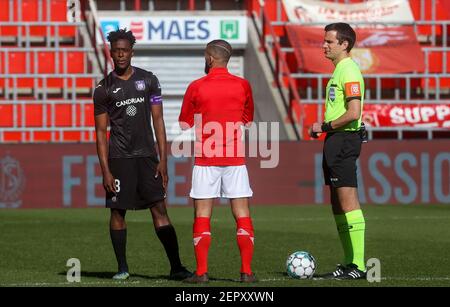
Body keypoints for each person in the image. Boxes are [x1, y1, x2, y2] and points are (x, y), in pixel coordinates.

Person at [93, 28, 192, 281]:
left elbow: (158, 121)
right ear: (111, 53)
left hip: (147, 157)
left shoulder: (149, 80)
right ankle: (122, 268)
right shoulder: (103, 89)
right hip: (119, 159)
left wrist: (163, 160)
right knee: (117, 212)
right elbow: (101, 132)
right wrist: (105, 170)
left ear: (132, 52)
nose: (121, 55)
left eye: (125, 50)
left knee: (159, 209)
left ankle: (177, 267)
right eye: (117, 51)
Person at [178, 39, 256, 283]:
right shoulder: (243, 85)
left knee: (202, 215)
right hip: (235, 159)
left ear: (209, 58)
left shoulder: (196, 86)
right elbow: (248, 119)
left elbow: (184, 122)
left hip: (205, 160)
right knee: (242, 213)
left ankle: (201, 273)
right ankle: (246, 272)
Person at [309, 23, 367, 280]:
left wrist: (322, 126)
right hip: (336, 139)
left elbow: (353, 113)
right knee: (337, 203)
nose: (324, 45)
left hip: (343, 138)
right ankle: (348, 262)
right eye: (324, 41)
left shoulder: (349, 70)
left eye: (330, 42)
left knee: (347, 201)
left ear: (345, 44)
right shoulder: (340, 70)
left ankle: (359, 266)